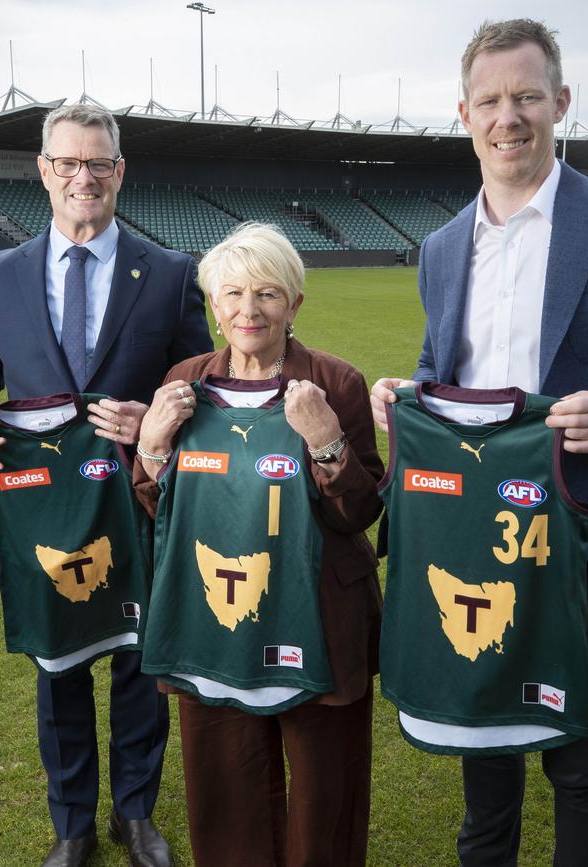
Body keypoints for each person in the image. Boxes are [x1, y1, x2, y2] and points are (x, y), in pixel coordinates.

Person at [371, 18, 588, 867]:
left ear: (562, 102)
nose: (508, 117)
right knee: (485, 761)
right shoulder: (441, 248)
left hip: (582, 533)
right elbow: (442, 370)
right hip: (476, 535)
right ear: (465, 114)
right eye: (490, 101)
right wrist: (403, 394)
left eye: (526, 97)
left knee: (582, 767)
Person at [0, 103, 212, 867]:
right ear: (43, 172)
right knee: (60, 666)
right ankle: (71, 822)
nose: (83, 177)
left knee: (142, 658)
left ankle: (134, 813)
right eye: (67, 162)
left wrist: (162, 421)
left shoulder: (169, 272)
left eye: (97, 163)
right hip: (47, 507)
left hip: (139, 500)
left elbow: (201, 382)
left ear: (119, 173)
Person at [133, 221, 383, 867]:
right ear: (214, 305)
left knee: (326, 784)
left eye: (269, 293)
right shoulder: (185, 379)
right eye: (234, 293)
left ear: (294, 304)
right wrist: (152, 448)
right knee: (225, 777)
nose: (250, 310)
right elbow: (163, 507)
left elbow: (362, 513)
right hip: (215, 613)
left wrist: (327, 441)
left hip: (321, 613)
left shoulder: (337, 381)